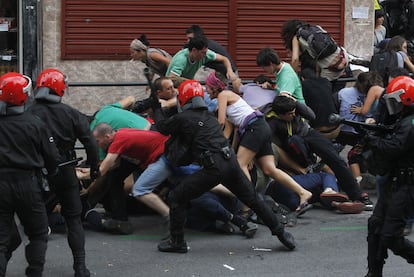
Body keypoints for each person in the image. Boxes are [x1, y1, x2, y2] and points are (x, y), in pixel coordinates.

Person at [152, 80, 296, 253]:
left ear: (183, 99)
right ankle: (282, 234)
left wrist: (157, 107)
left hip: (213, 167)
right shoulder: (209, 117)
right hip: (231, 162)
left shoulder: (184, 118)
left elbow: (162, 127)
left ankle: (177, 242)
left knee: (176, 197)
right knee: (253, 199)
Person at [205, 71, 312, 213]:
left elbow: (220, 122)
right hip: (261, 126)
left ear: (214, 87)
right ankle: (303, 192)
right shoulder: (232, 99)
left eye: (207, 87)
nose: (205, 91)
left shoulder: (223, 95)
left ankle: (248, 205)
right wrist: (232, 148)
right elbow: (235, 129)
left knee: (240, 164)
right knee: (269, 169)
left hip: (254, 128)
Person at [29, 68, 100, 277]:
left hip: (37, 172)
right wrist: (94, 167)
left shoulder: (29, 113)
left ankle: (35, 270)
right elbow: (90, 142)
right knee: (73, 219)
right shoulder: (71, 113)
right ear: (60, 89)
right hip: (66, 169)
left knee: (37, 223)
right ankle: (80, 267)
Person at [267, 95, 373, 213]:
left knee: (335, 159)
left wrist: (296, 103)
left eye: (294, 112)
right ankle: (334, 199)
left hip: (308, 134)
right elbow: (267, 143)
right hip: (294, 147)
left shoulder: (294, 108)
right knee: (294, 142)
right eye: (289, 114)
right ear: (280, 114)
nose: (293, 115)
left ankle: (356, 195)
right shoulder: (271, 122)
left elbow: (311, 116)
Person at [0, 72, 59, 277]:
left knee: (1, 238)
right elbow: (52, 158)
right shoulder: (35, 124)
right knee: (38, 233)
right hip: (27, 182)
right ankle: (34, 272)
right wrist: (53, 173)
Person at [365, 75, 414, 276]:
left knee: (390, 236)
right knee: (375, 225)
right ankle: (374, 273)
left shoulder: (411, 123)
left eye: (395, 100)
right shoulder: (403, 119)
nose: (392, 104)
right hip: (395, 181)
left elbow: (394, 147)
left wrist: (372, 139)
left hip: (408, 185)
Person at [91, 123, 171, 231]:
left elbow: (103, 169)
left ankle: (172, 218)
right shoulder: (120, 133)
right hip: (159, 152)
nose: (98, 145)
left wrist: (82, 176)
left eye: (97, 141)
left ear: (107, 137)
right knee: (115, 178)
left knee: (140, 190)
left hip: (164, 155)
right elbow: (115, 164)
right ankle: (120, 219)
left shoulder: (118, 141)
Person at [280, 19, 349, 82]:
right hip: (343, 57)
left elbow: (295, 59)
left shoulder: (296, 37)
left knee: (322, 90)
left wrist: (291, 76)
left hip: (331, 67)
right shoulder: (317, 28)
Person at [166, 35, 237, 87]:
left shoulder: (206, 54)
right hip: (173, 88)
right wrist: (191, 82)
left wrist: (229, 70)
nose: (206, 55)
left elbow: (224, 59)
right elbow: (172, 78)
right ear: (194, 50)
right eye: (203, 53)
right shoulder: (181, 59)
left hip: (188, 85)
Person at [266, 172, 350, 213]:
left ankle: (335, 202)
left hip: (288, 202)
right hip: (283, 187)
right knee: (327, 176)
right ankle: (331, 194)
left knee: (319, 194)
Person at [300, 67, 340, 139]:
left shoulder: (304, 85)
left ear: (302, 78)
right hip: (337, 127)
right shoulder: (326, 81)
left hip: (320, 132)